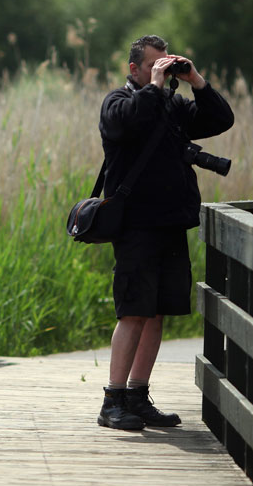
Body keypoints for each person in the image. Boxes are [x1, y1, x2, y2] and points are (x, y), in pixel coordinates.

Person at [96, 34, 234, 430]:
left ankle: (138, 397)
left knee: (156, 313)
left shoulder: (173, 105)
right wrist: (156, 87)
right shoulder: (117, 104)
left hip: (170, 222)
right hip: (136, 225)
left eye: (166, 65)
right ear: (133, 69)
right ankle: (112, 401)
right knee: (134, 311)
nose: (162, 71)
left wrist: (196, 80)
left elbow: (219, 120)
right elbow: (130, 124)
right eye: (154, 66)